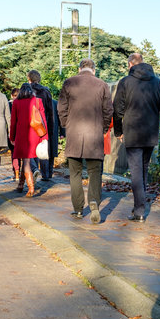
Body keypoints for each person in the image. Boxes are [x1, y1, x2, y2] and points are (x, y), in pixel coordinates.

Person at [113, 53, 160, 222]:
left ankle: (140, 210)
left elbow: (117, 110)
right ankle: (138, 207)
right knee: (143, 170)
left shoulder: (125, 82)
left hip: (132, 133)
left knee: (136, 173)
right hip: (150, 134)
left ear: (130, 65)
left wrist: (118, 132)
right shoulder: (157, 82)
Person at [58, 59, 113, 223]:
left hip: (74, 133)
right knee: (95, 171)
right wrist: (102, 128)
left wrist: (66, 125)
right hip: (94, 135)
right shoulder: (102, 85)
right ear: (94, 70)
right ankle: (94, 202)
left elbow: (61, 108)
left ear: (79, 68)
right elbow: (108, 110)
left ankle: (78, 209)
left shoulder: (69, 83)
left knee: (75, 173)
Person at [10, 83, 48, 197]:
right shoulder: (37, 101)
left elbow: (13, 122)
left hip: (22, 135)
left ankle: (31, 188)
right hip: (35, 134)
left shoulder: (16, 102)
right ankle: (21, 185)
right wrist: (44, 137)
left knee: (26, 160)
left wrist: (12, 137)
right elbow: (43, 120)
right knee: (26, 159)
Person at [28, 70, 54, 181]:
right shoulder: (46, 91)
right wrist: (50, 127)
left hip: (30, 123)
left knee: (30, 148)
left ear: (29, 79)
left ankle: (33, 169)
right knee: (43, 148)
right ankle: (46, 174)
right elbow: (50, 110)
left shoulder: (26, 90)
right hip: (44, 123)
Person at [8, 88, 21, 180]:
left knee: (14, 153)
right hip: (23, 131)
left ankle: (16, 173)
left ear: (12, 96)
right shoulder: (24, 103)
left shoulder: (9, 105)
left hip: (12, 131)